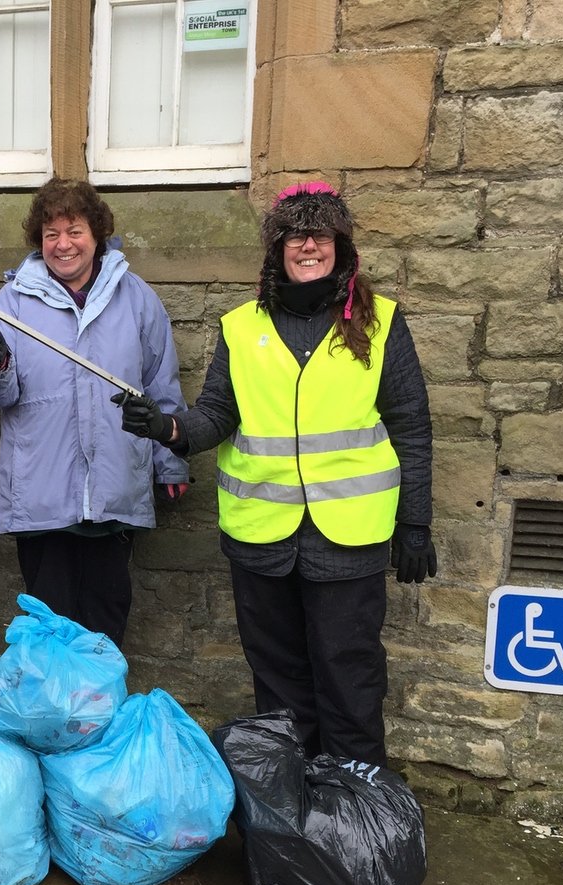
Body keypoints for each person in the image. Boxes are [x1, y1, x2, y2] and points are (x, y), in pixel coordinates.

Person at [114, 182, 435, 764]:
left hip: (349, 540)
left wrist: (416, 525)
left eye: (320, 234)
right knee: (279, 685)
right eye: (294, 235)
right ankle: (294, 814)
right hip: (261, 539)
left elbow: (411, 427)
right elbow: (217, 414)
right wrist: (167, 429)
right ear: (277, 249)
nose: (307, 245)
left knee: (350, 679)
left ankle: (356, 815)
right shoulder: (241, 327)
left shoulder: (382, 323)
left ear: (341, 245)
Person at [0, 177, 189, 647]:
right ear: (39, 240)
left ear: (97, 235)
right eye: (51, 234)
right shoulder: (11, 303)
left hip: (113, 487)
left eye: (75, 232)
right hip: (41, 493)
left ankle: (98, 718)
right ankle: (54, 720)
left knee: (105, 622)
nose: (63, 245)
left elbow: (160, 386)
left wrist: (172, 460)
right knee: (49, 624)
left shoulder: (137, 299)